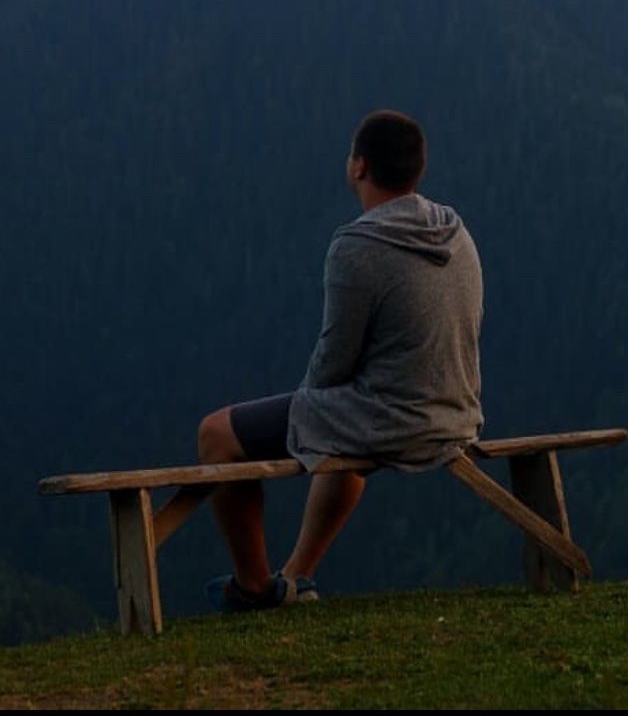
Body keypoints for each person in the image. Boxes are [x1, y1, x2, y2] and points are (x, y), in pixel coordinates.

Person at [197, 109, 484, 612]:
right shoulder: (456, 232)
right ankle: (296, 578)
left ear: (359, 166)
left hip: (394, 420)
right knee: (337, 415)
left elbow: (334, 360)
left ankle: (253, 587)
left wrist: (309, 401)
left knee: (216, 435)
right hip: (458, 413)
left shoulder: (358, 245)